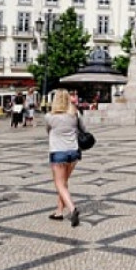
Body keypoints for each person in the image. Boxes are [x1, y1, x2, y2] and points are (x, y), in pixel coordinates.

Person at [45, 89, 83, 226]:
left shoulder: (50, 116)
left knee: (59, 184)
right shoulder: (75, 114)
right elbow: (82, 128)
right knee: (64, 183)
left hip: (58, 152)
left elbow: (48, 131)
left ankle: (72, 209)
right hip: (74, 152)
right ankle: (59, 211)